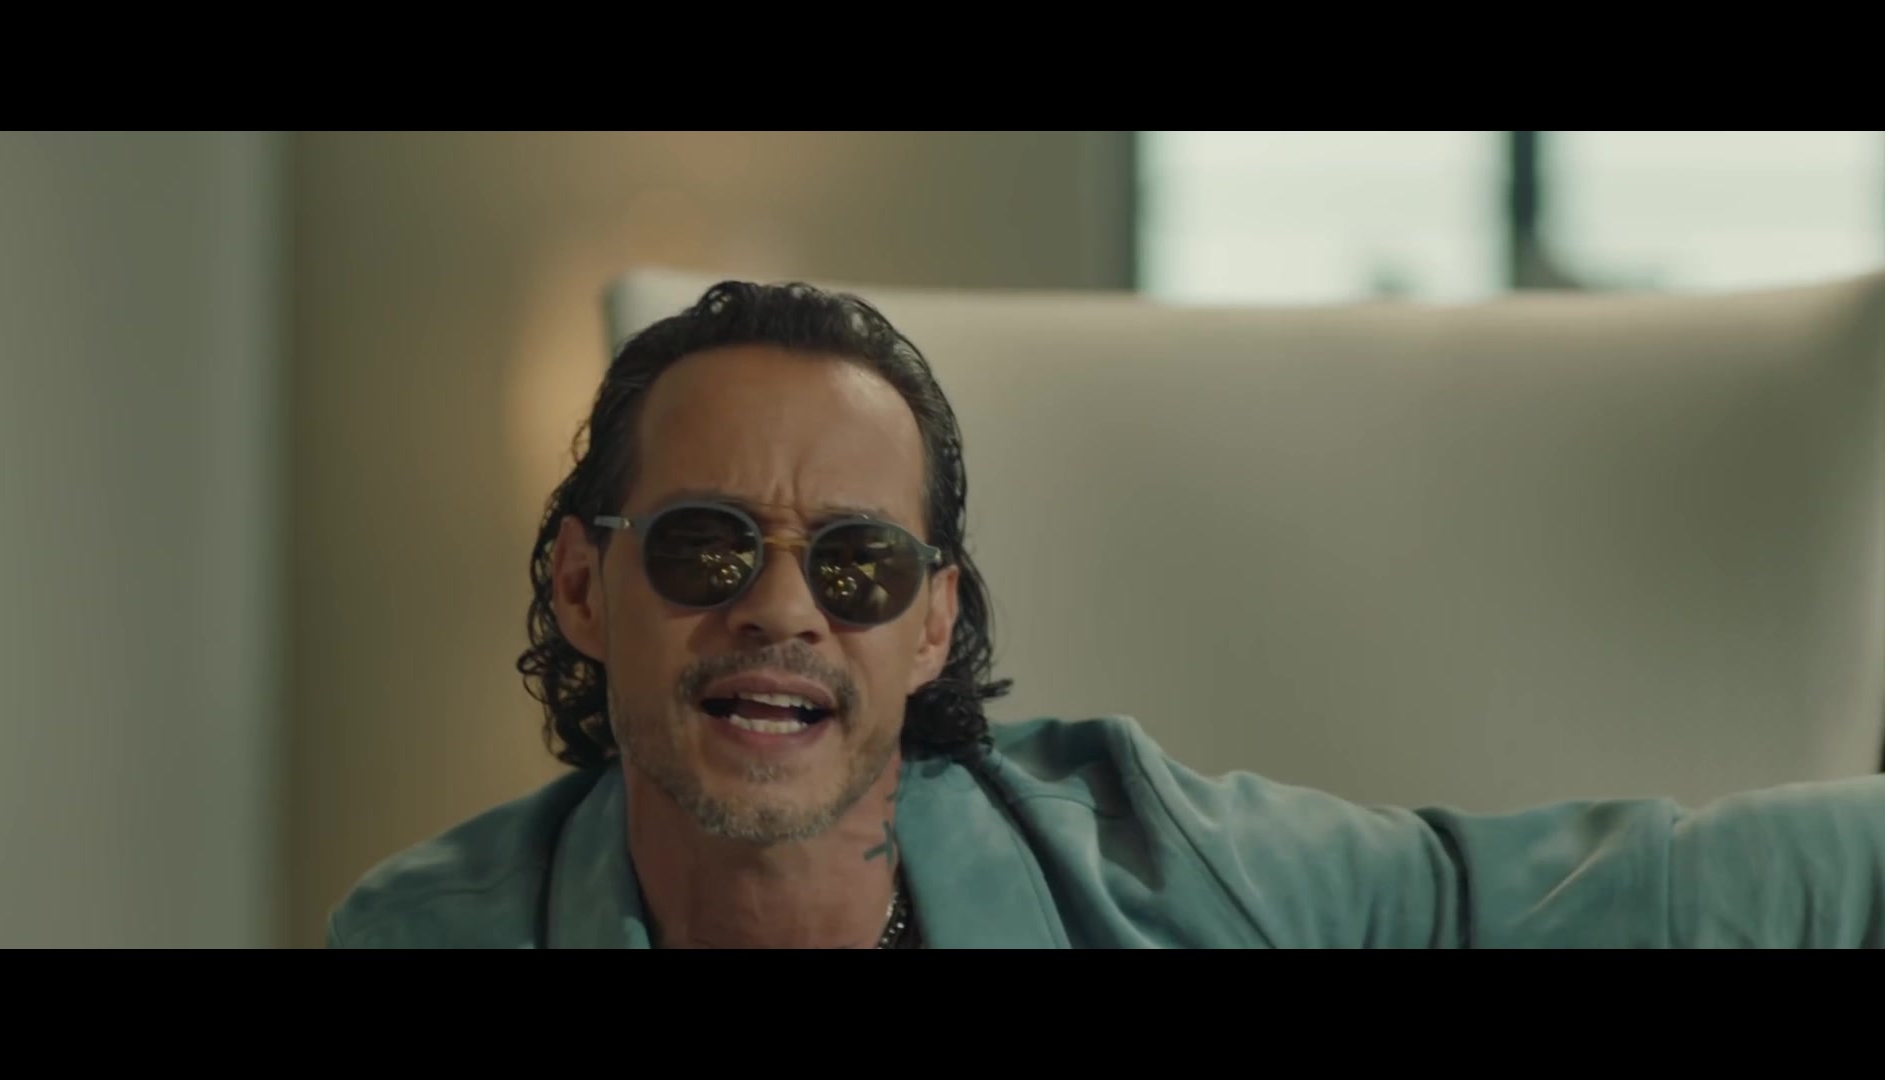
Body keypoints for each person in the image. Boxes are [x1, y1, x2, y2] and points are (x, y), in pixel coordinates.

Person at [326, 280, 1885, 949]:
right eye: (705, 547)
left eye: (858, 562)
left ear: (931, 627)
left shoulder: (1153, 869)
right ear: (583, 586)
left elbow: (1607, 899)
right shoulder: (425, 933)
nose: (781, 607)